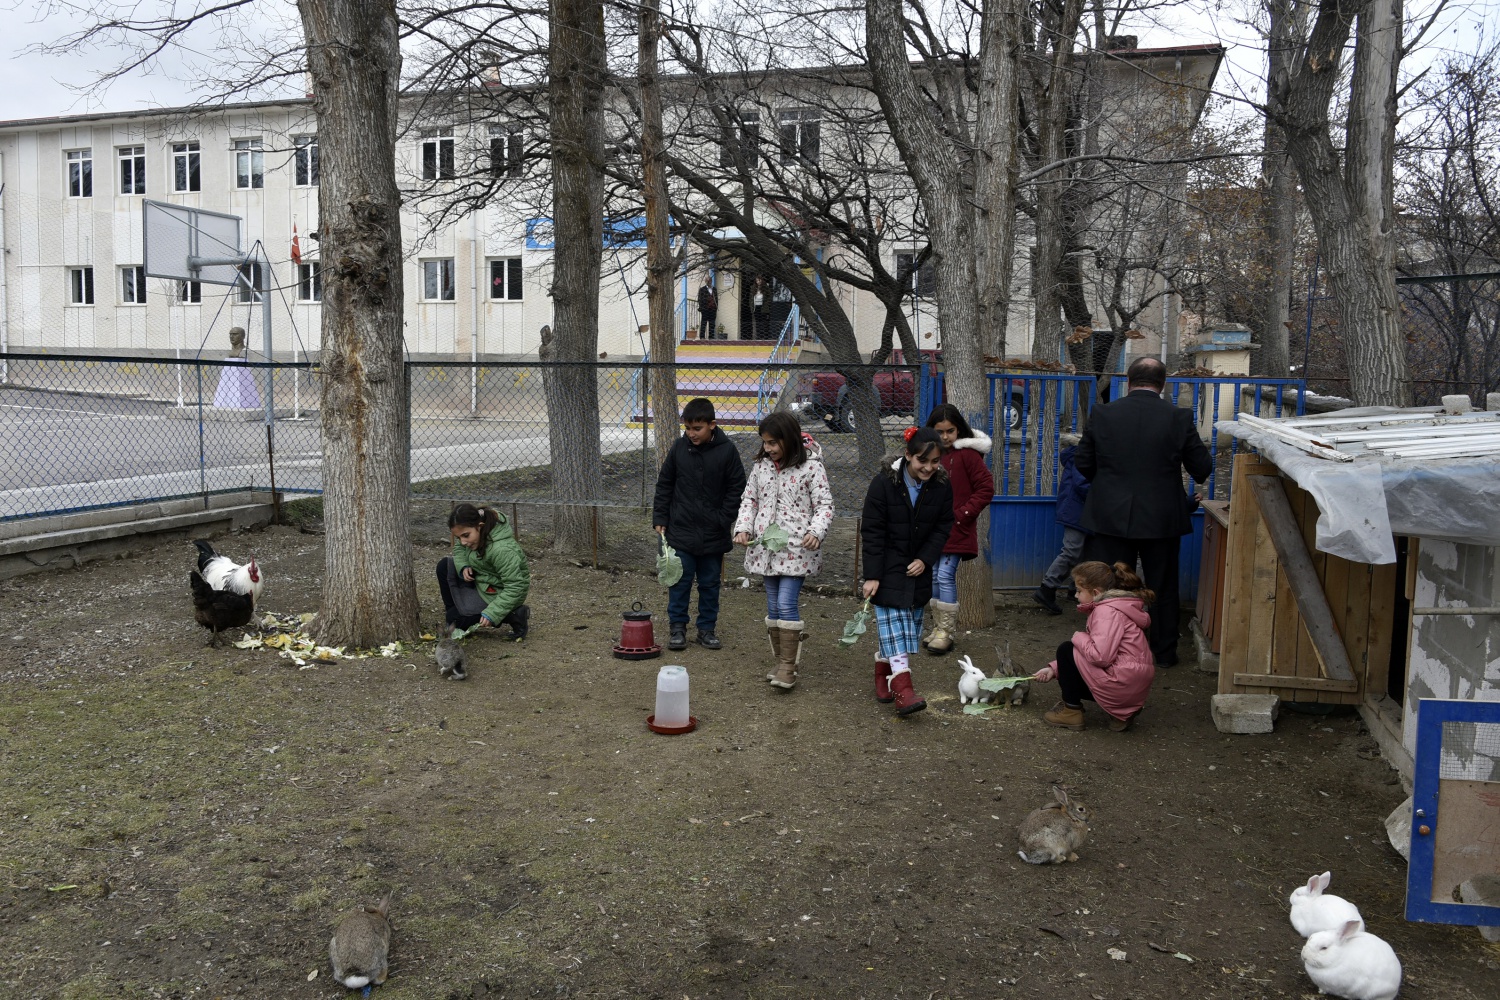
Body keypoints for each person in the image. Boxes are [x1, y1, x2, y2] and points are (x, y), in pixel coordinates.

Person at [1074, 356, 1211, 666]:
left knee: (1105, 584)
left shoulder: (1104, 413)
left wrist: (1110, 485)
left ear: (1128, 381)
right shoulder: (1178, 417)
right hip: (1161, 518)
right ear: (1162, 385)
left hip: (1109, 515)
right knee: (1162, 585)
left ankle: (1104, 650)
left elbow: (1082, 464)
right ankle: (1163, 654)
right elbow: (1201, 468)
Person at [734, 412, 835, 690]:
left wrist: (815, 531)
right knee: (772, 604)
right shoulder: (761, 466)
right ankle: (782, 661)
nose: (768, 448)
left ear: (788, 439)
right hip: (766, 547)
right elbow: (749, 500)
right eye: (765, 443)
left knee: (786, 603)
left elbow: (825, 504)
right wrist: (743, 528)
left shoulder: (811, 467)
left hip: (797, 547)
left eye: (773, 442)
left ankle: (788, 668)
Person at [860, 426, 955, 716]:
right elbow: (872, 531)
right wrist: (873, 574)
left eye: (935, 461)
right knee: (894, 622)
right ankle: (904, 691)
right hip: (887, 566)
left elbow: (943, 526)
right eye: (921, 461)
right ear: (908, 455)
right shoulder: (883, 483)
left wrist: (926, 559)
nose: (928, 467)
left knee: (904, 627)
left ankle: (882, 672)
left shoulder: (941, 486)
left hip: (917, 569)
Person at [654, 397, 748, 651]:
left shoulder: (727, 451)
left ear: (712, 425)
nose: (691, 434)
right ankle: (677, 628)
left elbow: (736, 487)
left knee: (709, 583)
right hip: (680, 531)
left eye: (697, 429)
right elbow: (665, 484)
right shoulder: (678, 448)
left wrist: (723, 518)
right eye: (687, 428)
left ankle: (706, 629)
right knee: (679, 581)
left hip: (713, 534)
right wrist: (661, 518)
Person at [1032, 560, 1156, 732]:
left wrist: (1079, 636)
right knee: (1075, 651)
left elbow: (1100, 657)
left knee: (1066, 649)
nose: (1076, 595)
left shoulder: (1105, 612)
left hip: (1120, 686)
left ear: (1096, 592)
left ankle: (1071, 711)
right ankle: (1122, 713)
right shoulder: (1121, 607)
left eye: (1079, 591)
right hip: (1133, 689)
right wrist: (1054, 669)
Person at [922, 403, 994, 654]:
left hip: (955, 528)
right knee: (932, 575)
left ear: (959, 430)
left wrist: (963, 514)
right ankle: (938, 627)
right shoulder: (930, 454)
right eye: (939, 431)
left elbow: (986, 488)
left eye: (950, 431)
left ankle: (947, 632)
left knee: (944, 575)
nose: (945, 437)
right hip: (931, 528)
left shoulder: (968, 456)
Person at [437, 503, 530, 638]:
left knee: (454, 619)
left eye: (466, 535)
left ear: (479, 527)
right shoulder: (476, 532)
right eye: (459, 537)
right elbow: (460, 549)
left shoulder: (501, 550)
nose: (463, 541)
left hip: (496, 592)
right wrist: (464, 566)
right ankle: (457, 611)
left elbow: (515, 587)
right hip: (482, 579)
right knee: (444, 566)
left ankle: (514, 614)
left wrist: (493, 612)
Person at [1033, 431, 1089, 615]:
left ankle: (1075, 590)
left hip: (1078, 511)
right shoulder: (1081, 456)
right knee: (1072, 552)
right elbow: (1083, 485)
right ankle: (1047, 588)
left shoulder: (1080, 455)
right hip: (1077, 512)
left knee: (1080, 553)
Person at [213, 326, 261, 409]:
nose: (232, 336)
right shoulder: (231, 352)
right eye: (230, 334)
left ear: (242, 336)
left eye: (235, 334)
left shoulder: (243, 352)